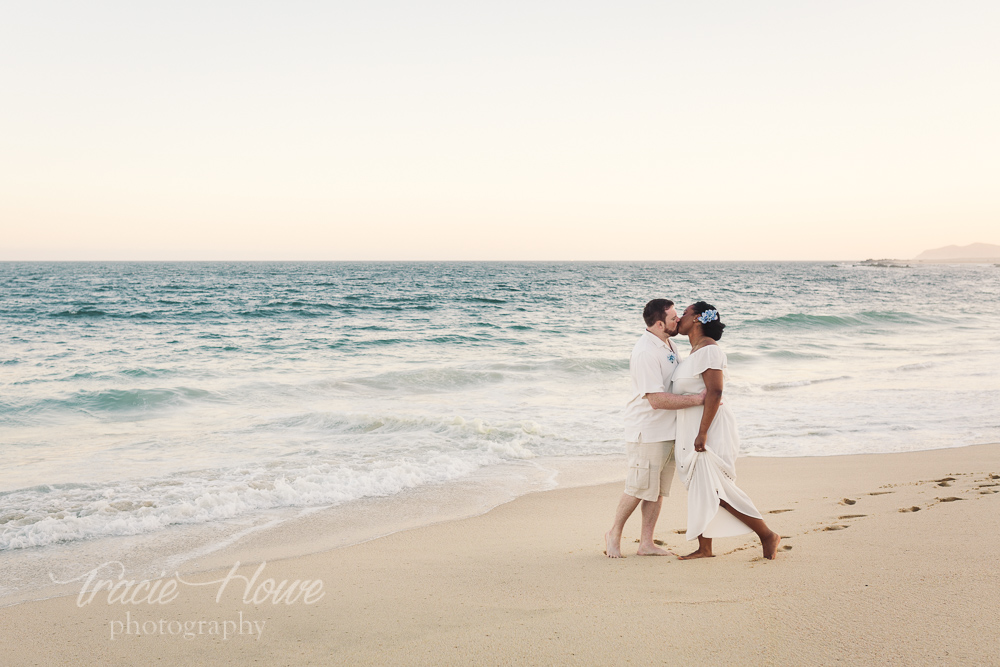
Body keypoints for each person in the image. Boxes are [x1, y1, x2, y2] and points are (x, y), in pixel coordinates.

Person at [672, 301, 781, 560]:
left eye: (684, 314)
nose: (679, 319)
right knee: (702, 487)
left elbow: (716, 391)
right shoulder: (695, 352)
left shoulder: (709, 351)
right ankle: (705, 548)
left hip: (710, 427)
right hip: (695, 426)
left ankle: (767, 535)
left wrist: (703, 431)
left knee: (716, 489)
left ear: (697, 319)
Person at [605, 299, 706, 558]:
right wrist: (696, 400)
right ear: (659, 323)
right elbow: (656, 399)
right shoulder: (645, 352)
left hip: (669, 430)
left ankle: (646, 544)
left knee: (657, 490)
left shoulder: (667, 341)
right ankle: (614, 532)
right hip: (647, 431)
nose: (678, 321)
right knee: (638, 487)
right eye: (673, 317)